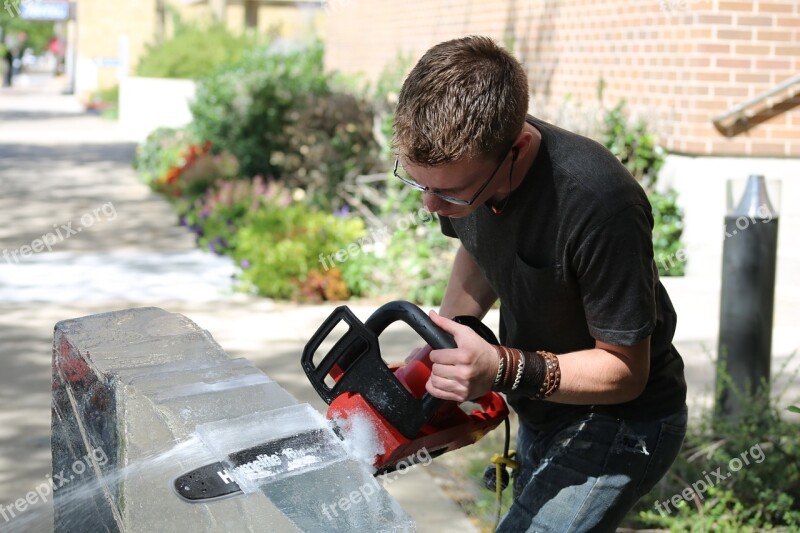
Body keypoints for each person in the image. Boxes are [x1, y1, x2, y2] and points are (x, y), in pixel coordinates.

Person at [392, 35, 687, 532]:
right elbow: (480, 247)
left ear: (518, 148)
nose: (431, 208)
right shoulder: (470, 175)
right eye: (418, 183)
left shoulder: (600, 203)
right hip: (544, 408)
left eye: (449, 193)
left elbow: (624, 370)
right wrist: (450, 337)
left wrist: (500, 368)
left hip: (624, 421)